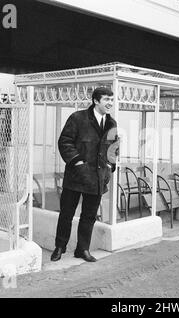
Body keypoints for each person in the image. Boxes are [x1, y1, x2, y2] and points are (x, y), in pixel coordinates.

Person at [51, 87, 117, 262]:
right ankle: (60, 247)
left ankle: (82, 249)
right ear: (95, 101)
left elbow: (113, 148)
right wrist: (77, 162)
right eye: (106, 99)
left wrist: (110, 166)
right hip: (75, 176)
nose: (110, 103)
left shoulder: (112, 124)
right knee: (66, 213)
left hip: (98, 179)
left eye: (112, 99)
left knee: (89, 216)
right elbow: (64, 141)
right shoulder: (77, 118)